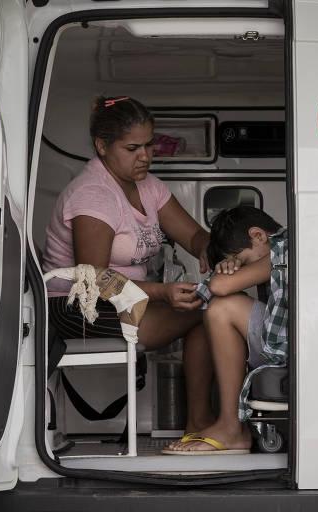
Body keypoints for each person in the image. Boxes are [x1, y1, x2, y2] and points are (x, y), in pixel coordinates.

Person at [42, 95, 215, 437]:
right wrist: (163, 293)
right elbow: (94, 278)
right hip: (75, 305)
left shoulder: (149, 187)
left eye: (150, 145)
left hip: (125, 299)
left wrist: (218, 250)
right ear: (102, 147)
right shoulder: (93, 194)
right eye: (133, 148)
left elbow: (194, 236)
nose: (146, 156)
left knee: (211, 311)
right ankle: (201, 425)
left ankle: (200, 425)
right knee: (208, 314)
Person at [163, 206, 287, 455]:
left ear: (259, 236)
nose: (240, 266)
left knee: (220, 308)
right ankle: (209, 423)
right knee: (207, 316)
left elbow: (220, 285)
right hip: (289, 337)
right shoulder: (279, 245)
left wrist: (234, 266)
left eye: (243, 259)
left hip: (289, 344)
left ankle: (231, 427)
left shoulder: (284, 246)